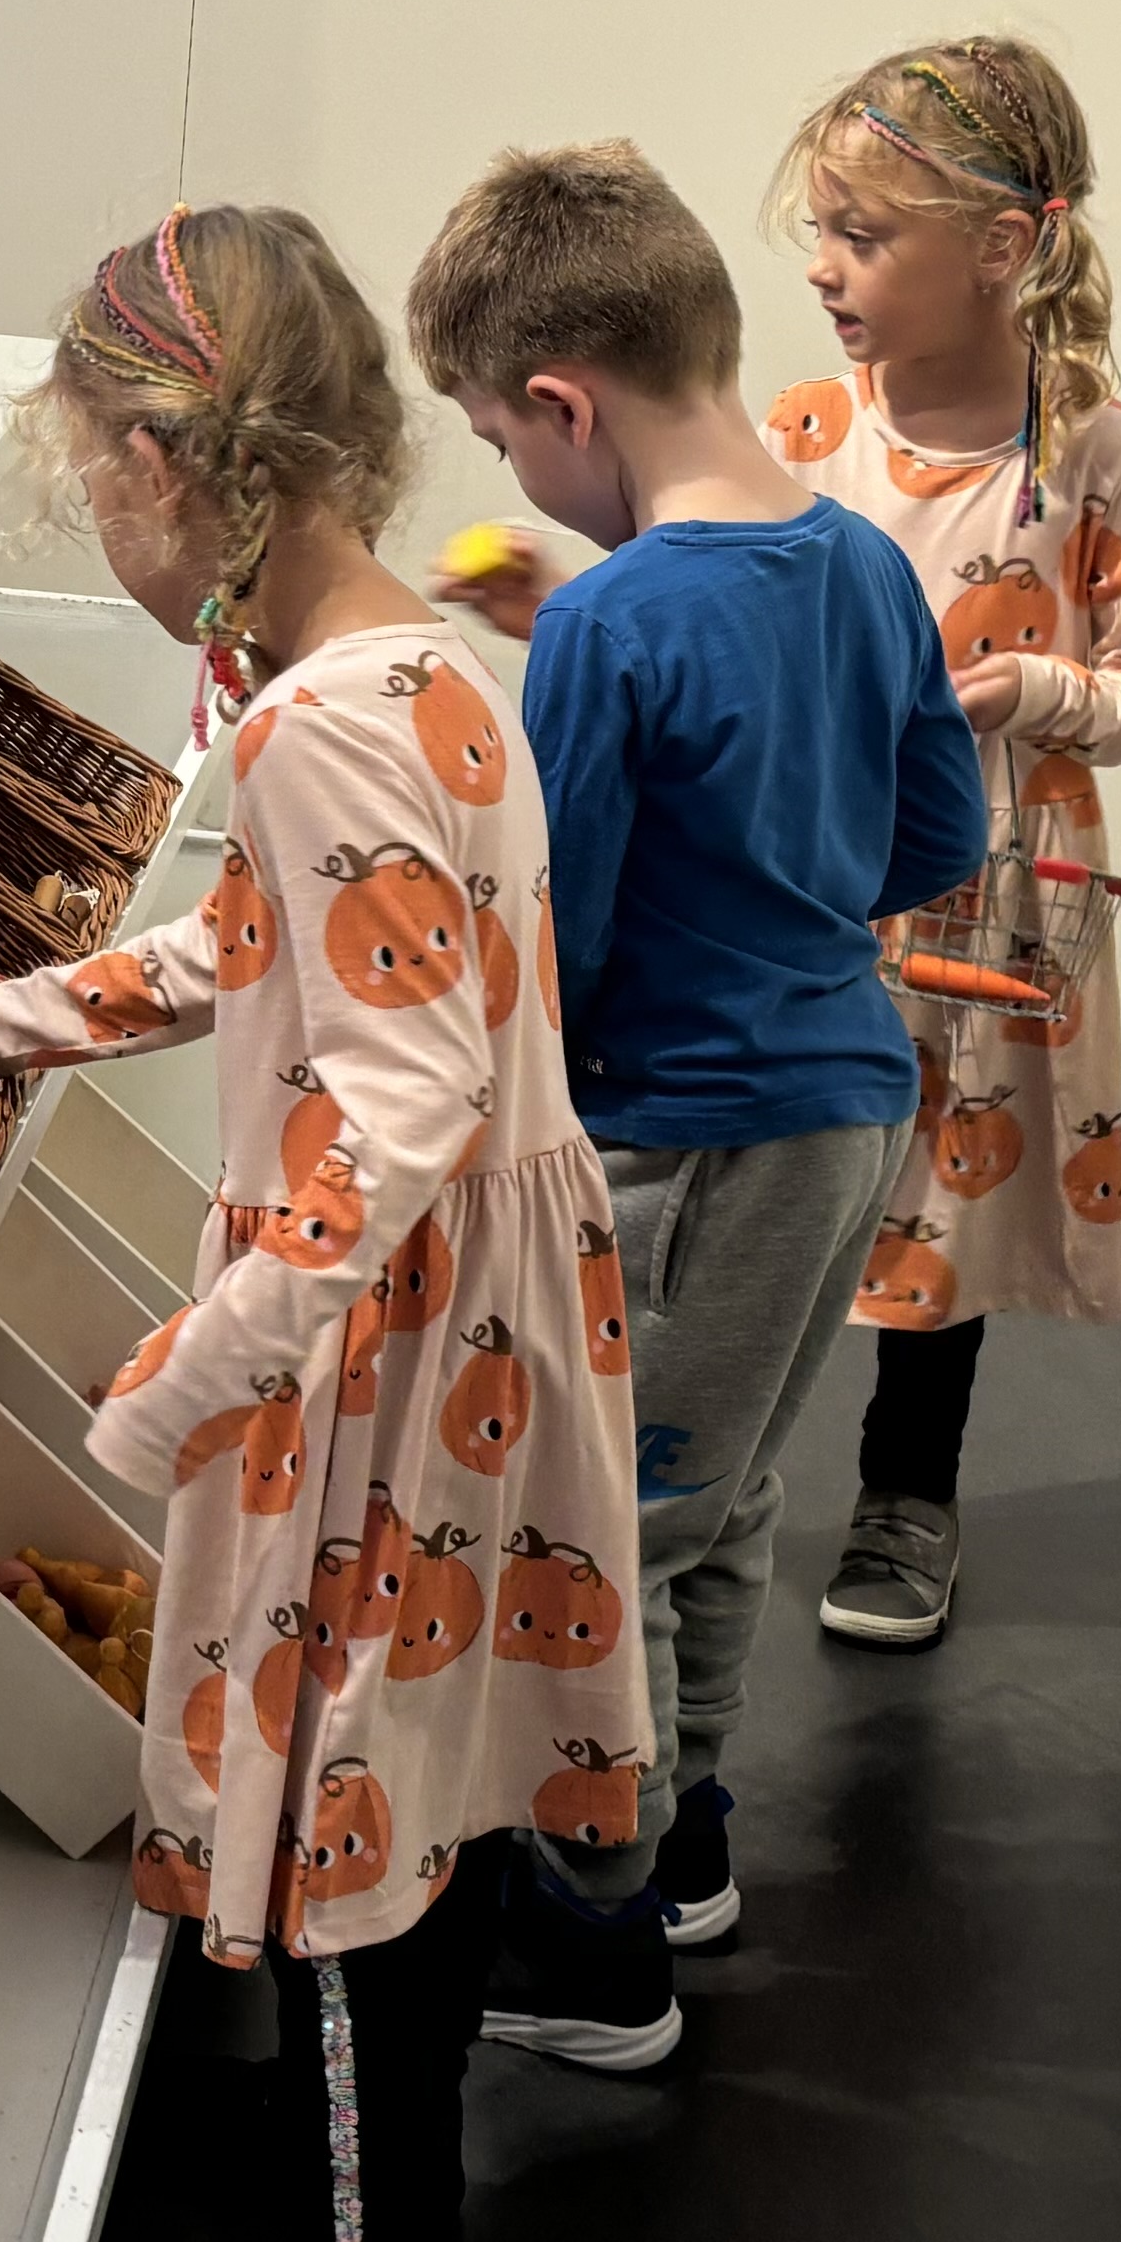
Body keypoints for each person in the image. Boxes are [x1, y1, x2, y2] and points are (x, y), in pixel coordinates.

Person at [0, 201, 640, 2242]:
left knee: (342, 1832)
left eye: (93, 479)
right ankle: (362, 2171)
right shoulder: (425, 662)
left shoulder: (316, 727)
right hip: (484, 1322)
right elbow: (287, 938)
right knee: (419, 1794)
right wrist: (50, 1007)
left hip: (379, 1351)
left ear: (166, 465)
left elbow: (398, 1101)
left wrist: (191, 1367)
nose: (103, 522)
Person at [405, 144, 983, 2070]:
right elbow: (933, 831)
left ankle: (593, 1937)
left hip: (684, 1140)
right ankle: (687, 1840)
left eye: (500, 439)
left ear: (561, 403)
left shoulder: (612, 627)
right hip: (846, 1109)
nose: (513, 475)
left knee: (606, 1537)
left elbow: (553, 926)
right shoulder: (865, 563)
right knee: (717, 1496)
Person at [757, 39, 1121, 1649]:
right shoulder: (804, 433)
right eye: (820, 230)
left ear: (1002, 248)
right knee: (783, 1171)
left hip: (997, 894)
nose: (823, 267)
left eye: (863, 236)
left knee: (950, 1189)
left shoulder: (1092, 449)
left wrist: (1038, 689)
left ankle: (905, 1491)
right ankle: (719, 1468)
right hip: (817, 881)